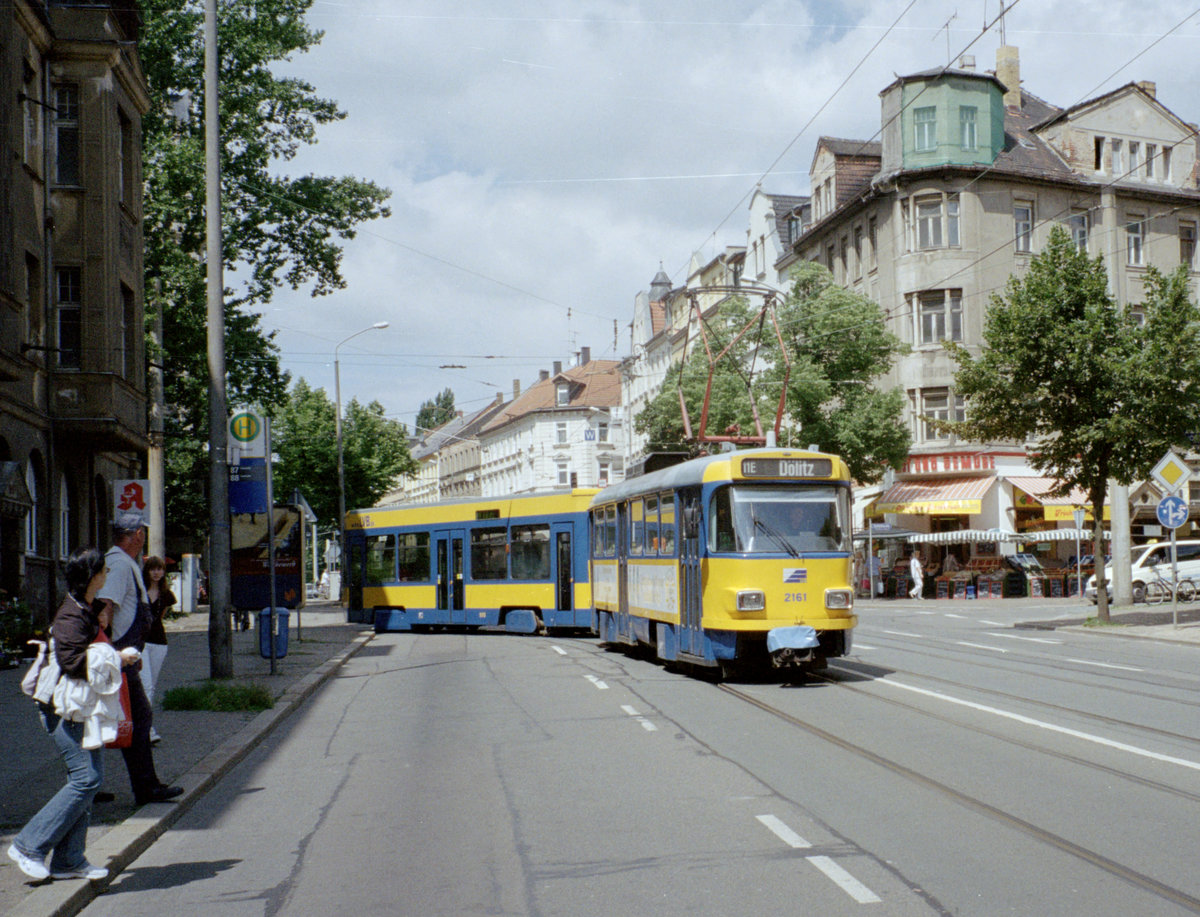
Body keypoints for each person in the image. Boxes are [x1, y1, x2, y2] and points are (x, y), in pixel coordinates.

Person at [8, 547, 136, 882]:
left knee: (85, 782)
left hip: (78, 707)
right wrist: (115, 658)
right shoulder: (70, 616)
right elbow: (72, 663)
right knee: (86, 778)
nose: (107, 575)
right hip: (60, 708)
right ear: (93, 576)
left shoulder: (85, 609)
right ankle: (27, 846)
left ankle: (69, 861)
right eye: (104, 571)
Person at [95, 513, 183, 806]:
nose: (144, 536)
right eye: (142, 532)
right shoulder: (120, 564)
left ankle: (139, 786)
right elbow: (105, 607)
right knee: (137, 718)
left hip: (125, 654)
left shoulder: (122, 561)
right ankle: (144, 788)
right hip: (120, 656)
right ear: (137, 535)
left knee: (127, 720)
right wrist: (112, 651)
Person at [140, 556, 174, 744]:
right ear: (147, 571)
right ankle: (148, 729)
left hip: (159, 641)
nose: (156, 572)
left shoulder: (166, 595)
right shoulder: (140, 591)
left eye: (159, 569)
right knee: (146, 685)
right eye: (152, 569)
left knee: (151, 685)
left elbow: (159, 618)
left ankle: (145, 726)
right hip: (142, 642)